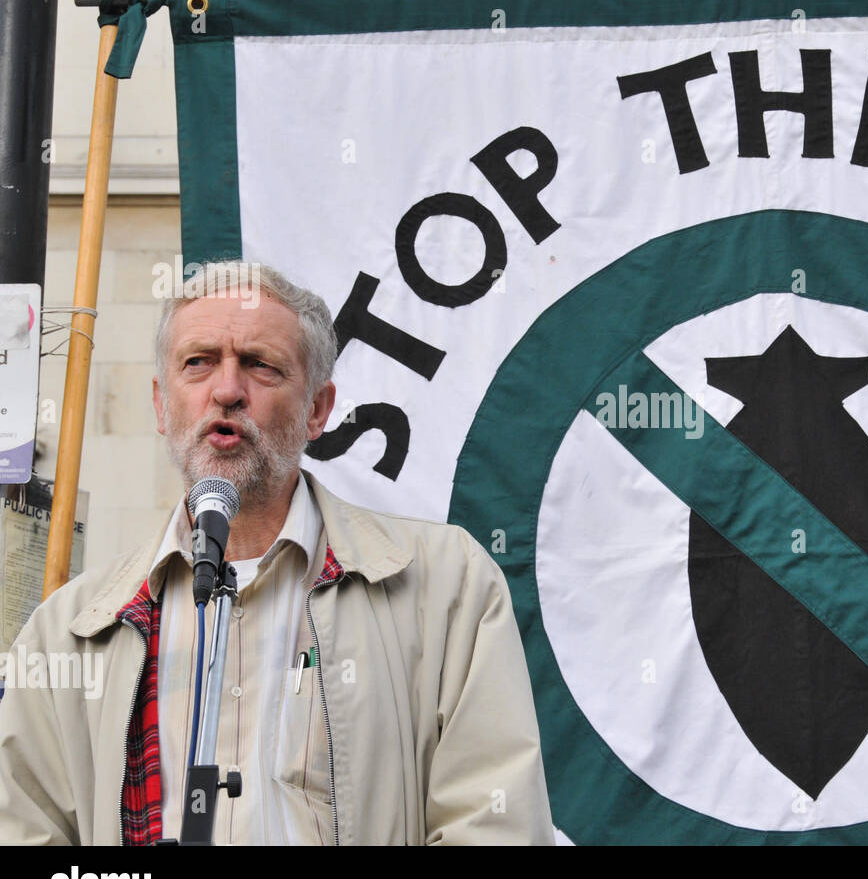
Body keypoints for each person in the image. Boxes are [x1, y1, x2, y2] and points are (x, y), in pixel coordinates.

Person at [0, 261, 554, 845]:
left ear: (318, 409)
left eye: (261, 366)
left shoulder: (446, 588)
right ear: (162, 406)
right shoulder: (68, 632)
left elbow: (496, 828)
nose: (227, 390)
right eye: (199, 362)